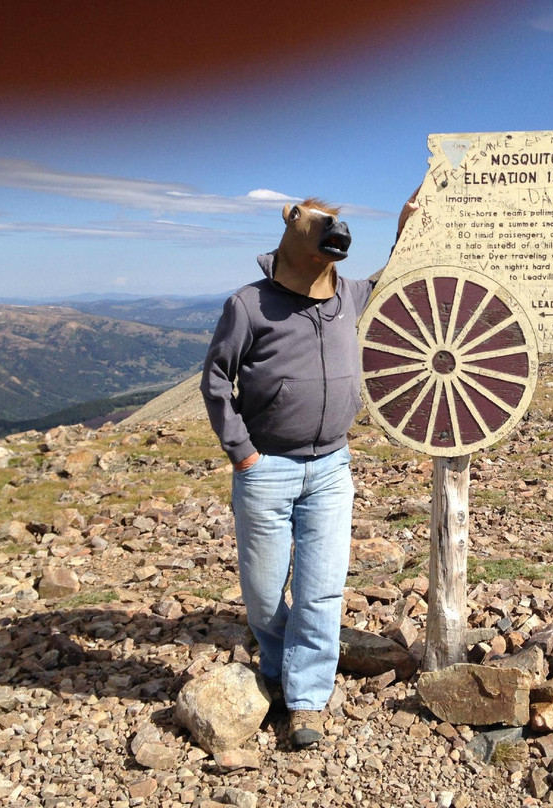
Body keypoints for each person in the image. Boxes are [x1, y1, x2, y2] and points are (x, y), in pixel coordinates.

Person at [201, 194, 416, 748]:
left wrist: (404, 227)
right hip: (266, 465)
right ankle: (273, 668)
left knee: (321, 591)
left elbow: (396, 279)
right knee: (265, 593)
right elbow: (217, 380)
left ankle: (306, 699)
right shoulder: (247, 305)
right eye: (319, 223)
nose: (332, 232)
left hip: (331, 466)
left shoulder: (349, 293)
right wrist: (243, 452)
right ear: (291, 225)